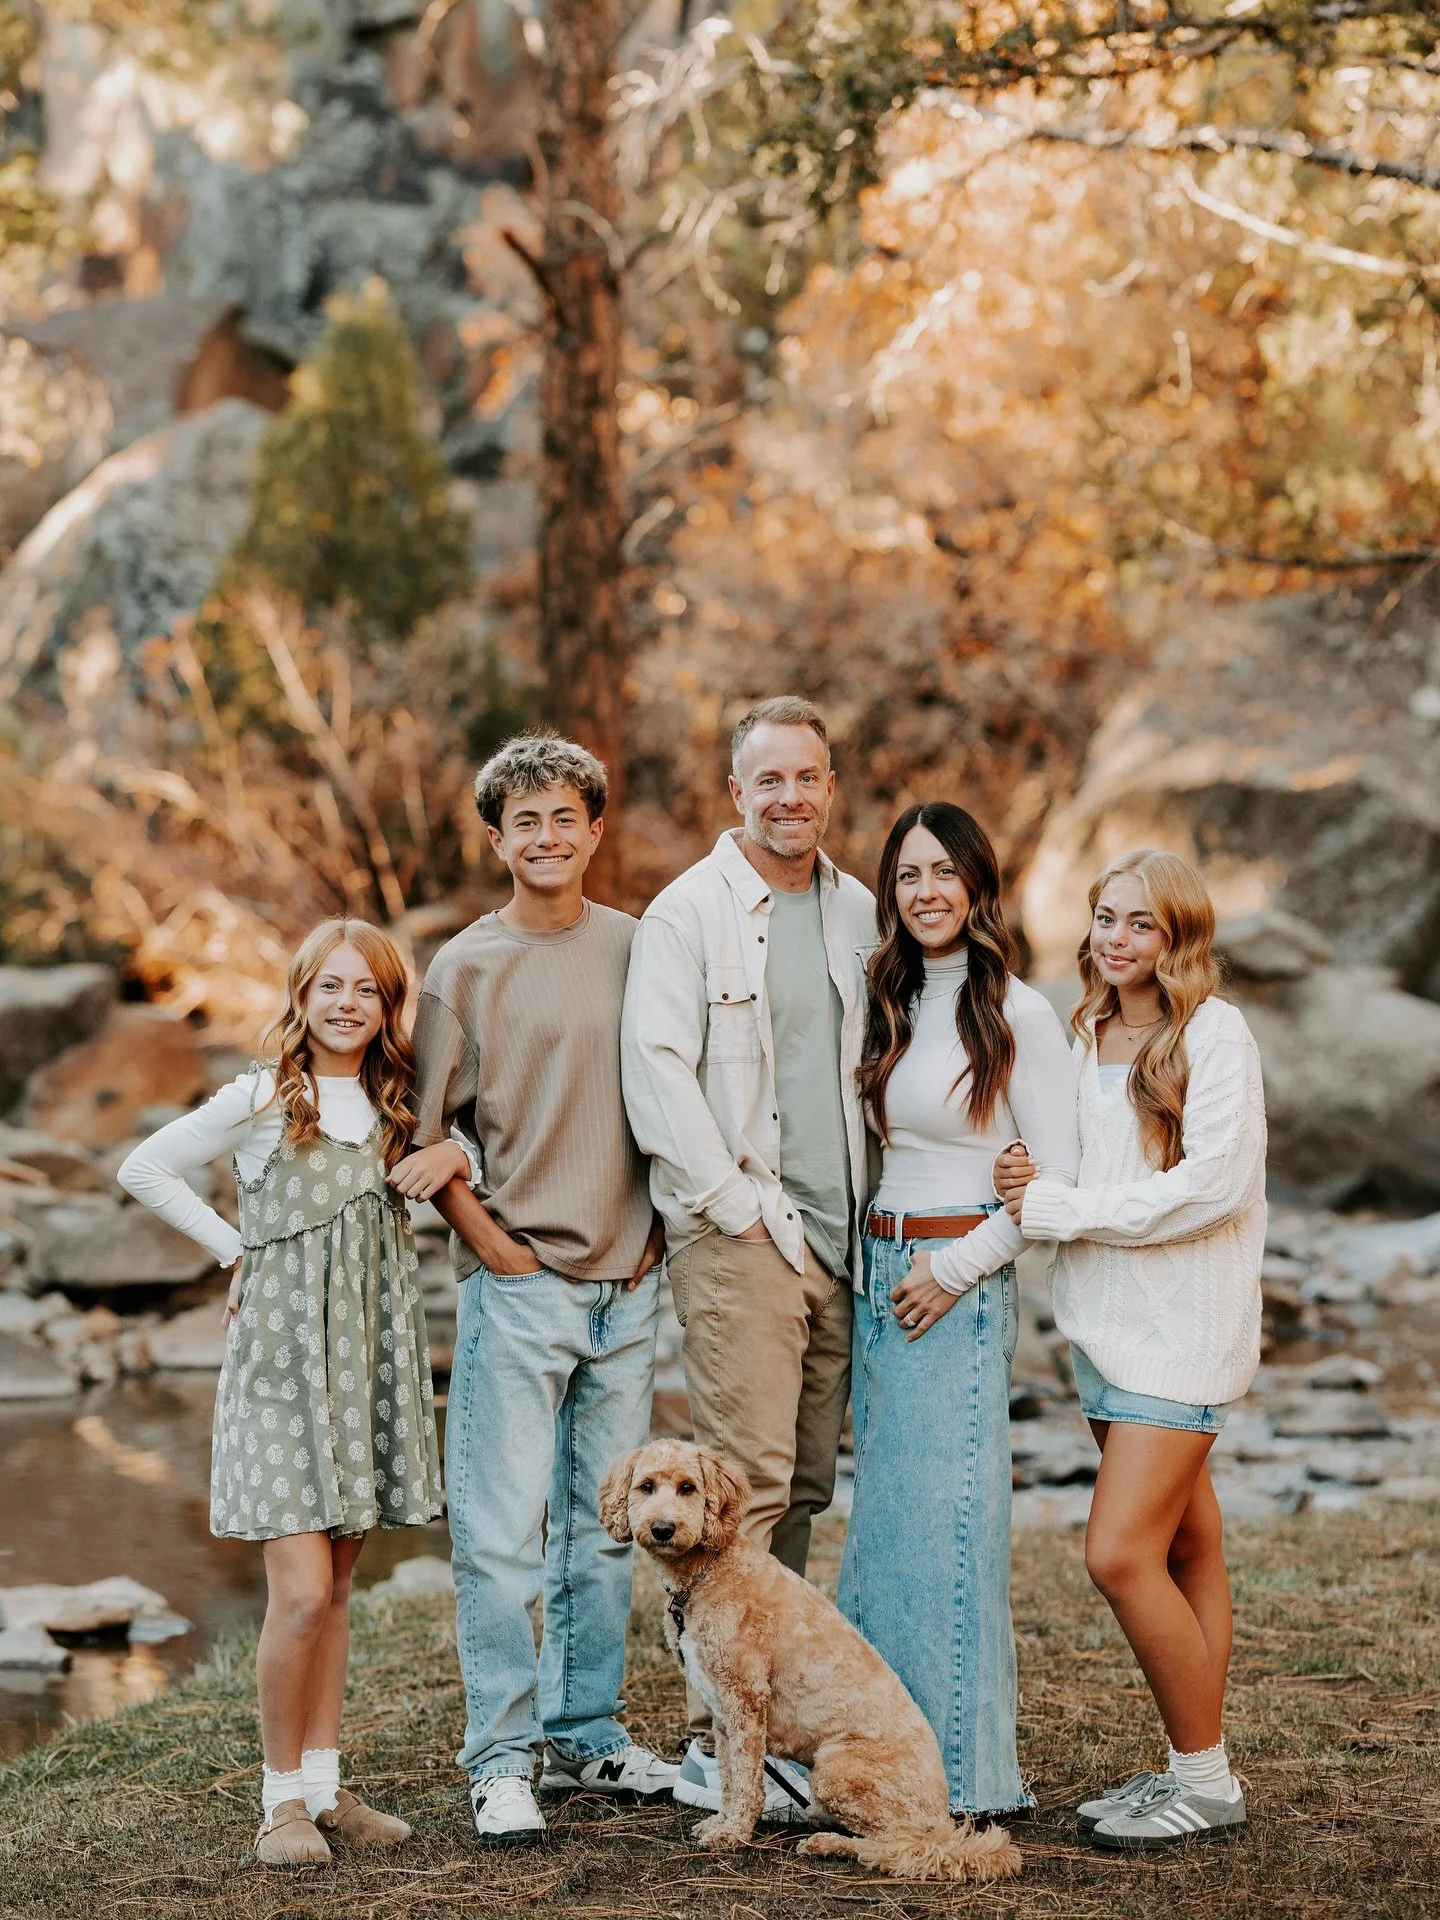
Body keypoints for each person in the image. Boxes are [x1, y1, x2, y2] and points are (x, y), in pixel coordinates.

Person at [118, 920, 448, 1868]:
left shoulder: (396, 1101)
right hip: (281, 1366)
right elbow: (144, 1167)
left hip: (364, 1362)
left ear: (389, 1005)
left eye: (367, 989)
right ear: (301, 995)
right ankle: (278, 1804)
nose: (347, 1004)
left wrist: (456, 1155)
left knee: (338, 1588)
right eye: (329, 986)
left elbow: (462, 1148)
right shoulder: (266, 1094)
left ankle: (325, 1788)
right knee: (299, 1593)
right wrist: (239, 1251)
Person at [403, 734, 674, 1849]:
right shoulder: (464, 969)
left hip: (630, 1286)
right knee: (502, 1538)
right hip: (522, 1292)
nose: (548, 837)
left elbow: (678, 1094)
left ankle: (585, 1733)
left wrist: (660, 1231)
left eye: (566, 817)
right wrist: (491, 1246)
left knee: (603, 1533)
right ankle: (501, 1760)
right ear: (496, 839)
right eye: (526, 821)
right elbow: (421, 1137)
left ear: (596, 830)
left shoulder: (642, 946)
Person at [621, 694, 875, 1818]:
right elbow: (656, 1072)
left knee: (805, 1484)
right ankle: (707, 1742)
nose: (790, 796)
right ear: (736, 792)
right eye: (768, 778)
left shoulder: (859, 909)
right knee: (743, 1493)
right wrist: (729, 1204)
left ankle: (760, 1719)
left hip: (839, 1237)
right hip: (741, 1235)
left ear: (830, 786)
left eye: (807, 776)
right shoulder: (689, 912)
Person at [996, 847, 1265, 1850]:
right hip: (1100, 1328)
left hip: (1180, 1332)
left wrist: (1061, 1208)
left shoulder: (1216, 1033)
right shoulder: (1085, 1030)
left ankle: (1206, 1780)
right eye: (1106, 917)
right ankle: (1194, 1764)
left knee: (1117, 1555)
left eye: (1140, 922)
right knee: (1188, 1545)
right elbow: (1068, 1165)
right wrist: (1025, 1171)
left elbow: (1213, 1188)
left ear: (1178, 933)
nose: (1116, 938)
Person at [837, 801, 1077, 1817]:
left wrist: (957, 1268)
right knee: (888, 1529)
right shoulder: (884, 998)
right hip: (882, 1274)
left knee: (952, 1531)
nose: (926, 891)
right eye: (908, 875)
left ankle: (971, 1780)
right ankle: (885, 1767)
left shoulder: (1018, 1012)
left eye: (944, 871)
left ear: (977, 882)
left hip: (956, 1282)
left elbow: (1056, 1182)